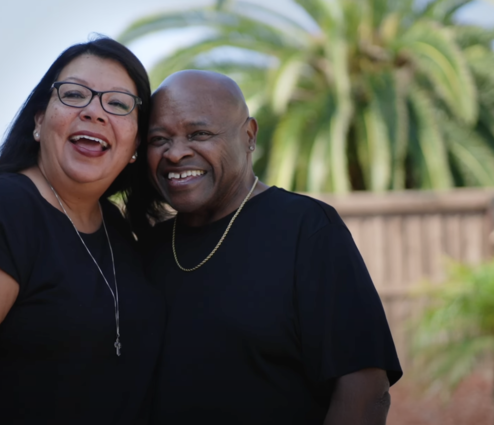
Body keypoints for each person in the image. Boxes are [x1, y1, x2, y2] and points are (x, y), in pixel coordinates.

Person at [0, 37, 165, 424]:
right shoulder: (3, 209)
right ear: (39, 121)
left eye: (119, 104)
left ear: (136, 143)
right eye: (74, 95)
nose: (94, 112)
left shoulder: (118, 230)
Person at [142, 70, 403, 425]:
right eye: (159, 139)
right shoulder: (150, 247)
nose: (175, 154)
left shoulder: (307, 229)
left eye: (199, 134)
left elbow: (365, 389)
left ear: (248, 136)